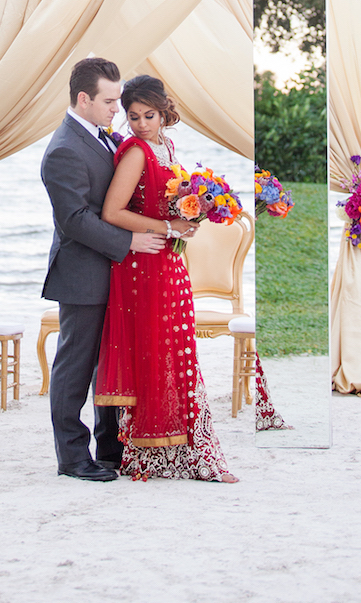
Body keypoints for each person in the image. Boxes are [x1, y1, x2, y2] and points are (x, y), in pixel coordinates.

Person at [94, 74, 239, 481]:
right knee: (153, 353)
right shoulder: (136, 152)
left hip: (169, 263)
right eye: (133, 115)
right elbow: (113, 213)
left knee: (176, 352)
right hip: (142, 266)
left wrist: (187, 219)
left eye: (149, 115)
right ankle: (152, 454)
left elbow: (167, 204)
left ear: (164, 113)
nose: (141, 123)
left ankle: (186, 451)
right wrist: (168, 227)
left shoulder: (167, 146)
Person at [40, 57, 166, 481]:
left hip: (115, 273)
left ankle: (110, 449)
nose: (118, 109)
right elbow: (73, 219)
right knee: (75, 367)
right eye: (110, 101)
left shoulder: (103, 137)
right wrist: (130, 240)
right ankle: (72, 458)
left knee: (109, 365)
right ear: (83, 98)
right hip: (82, 275)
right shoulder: (62, 150)